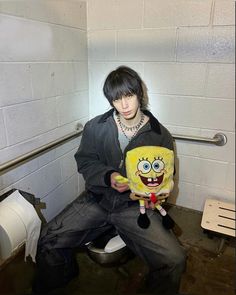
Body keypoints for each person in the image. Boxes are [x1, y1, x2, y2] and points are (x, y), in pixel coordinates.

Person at [32, 66, 186, 295]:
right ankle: (61, 279)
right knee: (49, 237)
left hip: (136, 207)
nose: (123, 105)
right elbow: (85, 161)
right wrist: (108, 176)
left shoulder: (159, 134)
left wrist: (158, 195)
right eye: (116, 99)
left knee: (175, 259)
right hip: (98, 199)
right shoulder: (95, 127)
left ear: (139, 94)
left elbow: (167, 175)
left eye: (128, 96)